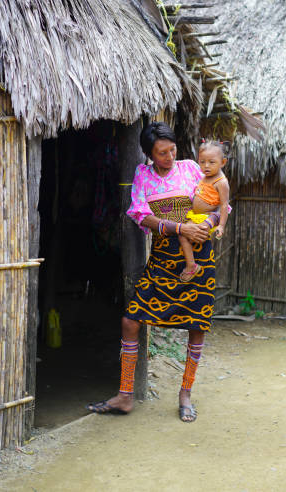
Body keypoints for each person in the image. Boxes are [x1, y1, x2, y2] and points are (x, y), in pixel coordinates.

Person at [88, 122, 223, 423]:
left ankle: (185, 393)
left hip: (198, 258)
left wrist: (209, 223)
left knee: (197, 324)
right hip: (162, 259)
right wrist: (178, 227)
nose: (169, 156)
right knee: (130, 320)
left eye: (172, 149)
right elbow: (139, 214)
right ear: (149, 154)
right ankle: (125, 395)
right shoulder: (143, 175)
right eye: (161, 153)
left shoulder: (192, 169)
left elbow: (222, 204)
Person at [178, 139, 230, 282]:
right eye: (202, 162)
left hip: (206, 217)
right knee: (182, 234)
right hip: (195, 215)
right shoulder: (205, 177)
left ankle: (191, 266)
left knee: (188, 237)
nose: (206, 166)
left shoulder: (221, 182)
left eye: (211, 162)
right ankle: (192, 264)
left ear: (223, 162)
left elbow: (224, 205)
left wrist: (221, 225)